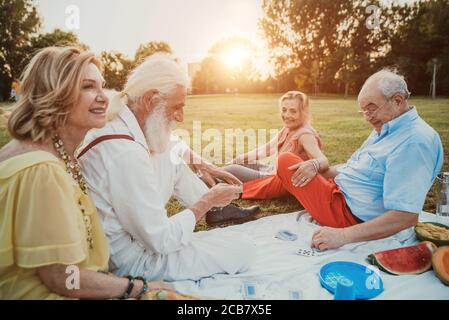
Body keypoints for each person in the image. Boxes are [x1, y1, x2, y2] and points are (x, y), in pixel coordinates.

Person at [0, 47, 172, 299]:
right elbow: (62, 278)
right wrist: (139, 288)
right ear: (55, 93)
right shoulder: (42, 171)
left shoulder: (43, 152)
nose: (104, 97)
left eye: (102, 86)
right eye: (88, 87)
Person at [77, 54, 257, 282]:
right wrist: (206, 201)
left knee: (169, 153)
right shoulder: (126, 154)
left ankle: (217, 209)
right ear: (150, 100)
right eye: (177, 107)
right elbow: (161, 240)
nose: (181, 117)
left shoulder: (122, 112)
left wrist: (203, 163)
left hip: (132, 235)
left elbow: (170, 144)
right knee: (242, 249)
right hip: (132, 261)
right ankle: (213, 206)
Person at [274, 69, 443, 250]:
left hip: (345, 213)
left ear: (398, 101)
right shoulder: (386, 126)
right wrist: (319, 169)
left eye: (371, 108)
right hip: (338, 189)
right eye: (364, 110)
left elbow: (405, 216)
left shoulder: (413, 142)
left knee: (285, 162)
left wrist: (342, 236)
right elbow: (356, 168)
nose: (367, 117)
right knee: (297, 164)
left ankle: (246, 187)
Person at [224, 91, 329, 200]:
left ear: (303, 112)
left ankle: (208, 186)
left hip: (274, 180)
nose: (287, 115)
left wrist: (314, 165)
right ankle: (212, 180)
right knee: (240, 163)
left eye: (293, 111)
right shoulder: (288, 128)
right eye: (284, 110)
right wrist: (239, 158)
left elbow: (323, 160)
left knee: (230, 170)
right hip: (271, 170)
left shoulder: (305, 135)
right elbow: (266, 149)